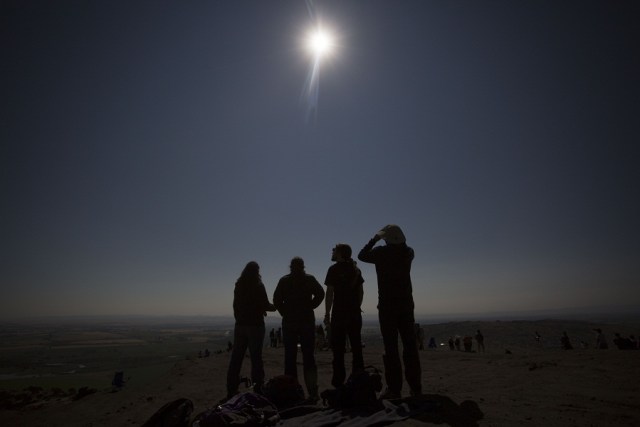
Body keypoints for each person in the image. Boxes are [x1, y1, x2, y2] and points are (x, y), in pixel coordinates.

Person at [358, 224, 422, 398]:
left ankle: (394, 389)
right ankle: (416, 388)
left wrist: (375, 239)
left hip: (387, 306)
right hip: (407, 305)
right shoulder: (409, 253)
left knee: (391, 348)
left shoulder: (381, 253)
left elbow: (361, 255)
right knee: (410, 348)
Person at [273, 257, 325, 402]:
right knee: (309, 357)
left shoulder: (284, 280)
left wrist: (285, 312)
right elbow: (321, 294)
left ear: (290, 266)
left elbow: (276, 300)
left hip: (289, 322)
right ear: (303, 266)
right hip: (307, 321)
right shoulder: (309, 279)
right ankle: (313, 392)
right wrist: (311, 306)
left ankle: (291, 391)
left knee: (290, 357)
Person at [226, 261, 275, 399]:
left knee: (236, 357)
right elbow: (265, 304)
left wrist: (239, 319)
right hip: (255, 325)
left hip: (240, 325)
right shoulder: (258, 285)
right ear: (257, 271)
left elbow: (235, 305)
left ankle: (231, 388)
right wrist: (275, 306)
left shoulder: (239, 284)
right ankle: (258, 388)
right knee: (256, 357)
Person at [324, 243, 365, 388]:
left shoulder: (333, 269)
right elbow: (361, 292)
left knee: (339, 351)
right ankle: (359, 381)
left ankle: (338, 383)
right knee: (356, 348)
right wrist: (356, 307)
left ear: (340, 253)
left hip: (339, 314)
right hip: (354, 313)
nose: (332, 251)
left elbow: (329, 294)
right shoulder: (356, 270)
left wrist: (327, 313)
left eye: (334, 250)